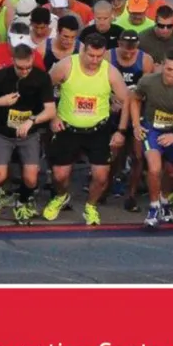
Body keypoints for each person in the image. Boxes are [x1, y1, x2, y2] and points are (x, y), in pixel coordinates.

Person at [45, 32, 133, 226]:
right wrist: (53, 116)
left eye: (99, 56)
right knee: (59, 175)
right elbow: (45, 88)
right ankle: (61, 196)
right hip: (68, 128)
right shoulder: (66, 65)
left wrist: (121, 130)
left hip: (98, 130)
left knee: (101, 177)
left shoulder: (110, 72)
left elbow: (127, 100)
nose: (95, 60)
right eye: (91, 55)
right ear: (83, 51)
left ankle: (91, 206)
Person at [0, 43, 56, 224]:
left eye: (28, 67)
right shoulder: (0, 76)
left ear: (32, 60)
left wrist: (32, 120)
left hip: (29, 134)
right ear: (13, 61)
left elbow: (50, 110)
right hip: (3, 132)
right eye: (20, 68)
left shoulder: (42, 78)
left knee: (31, 177)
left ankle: (24, 200)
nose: (24, 71)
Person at [131, 49, 173, 230]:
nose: (172, 74)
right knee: (154, 169)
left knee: (170, 172)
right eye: (169, 69)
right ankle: (154, 208)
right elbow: (135, 99)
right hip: (152, 129)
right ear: (162, 65)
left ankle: (164, 201)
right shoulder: (148, 82)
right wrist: (136, 125)